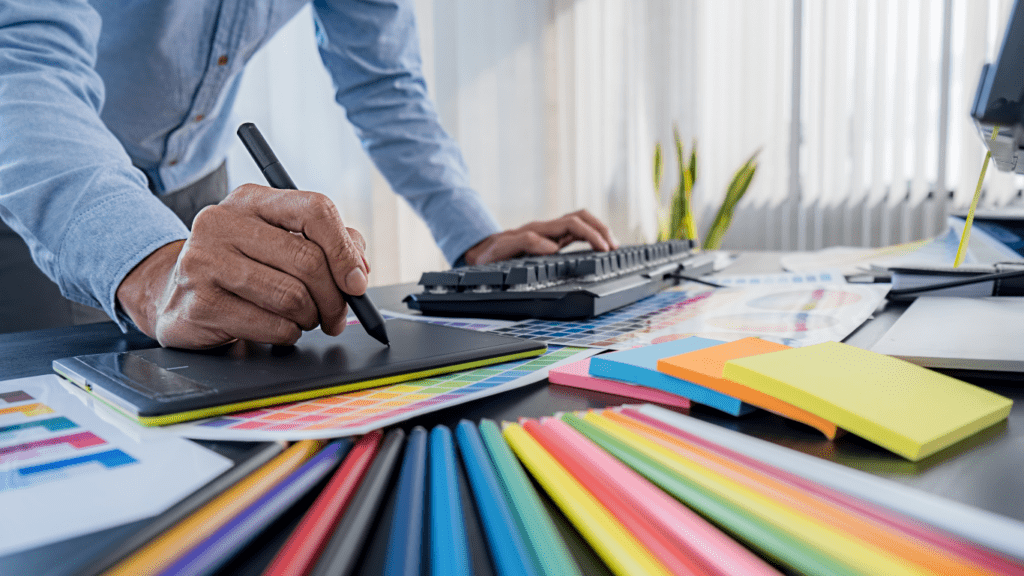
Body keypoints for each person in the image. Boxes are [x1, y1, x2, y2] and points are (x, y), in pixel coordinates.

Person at [0, 0, 617, 348]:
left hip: (196, 189)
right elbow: (19, 63)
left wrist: (474, 239)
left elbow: (383, 81)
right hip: (37, 179)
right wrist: (148, 265)